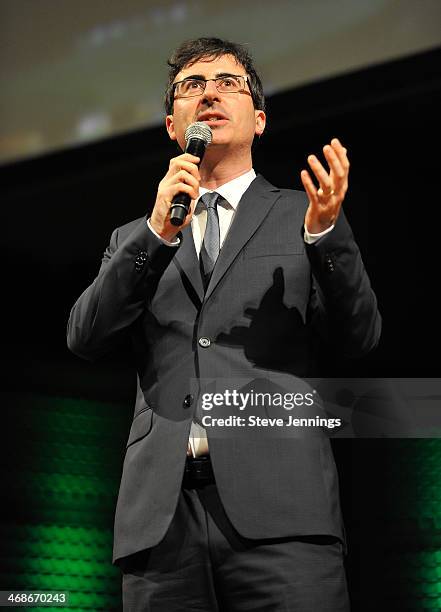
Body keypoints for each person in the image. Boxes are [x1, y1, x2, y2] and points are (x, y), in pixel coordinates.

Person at [67, 37, 381, 611]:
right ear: (171, 126)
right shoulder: (136, 236)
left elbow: (359, 337)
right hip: (162, 526)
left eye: (228, 83)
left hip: (283, 516)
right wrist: (157, 232)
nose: (209, 93)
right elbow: (85, 336)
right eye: (192, 86)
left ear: (258, 119)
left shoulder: (302, 215)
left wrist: (326, 235)